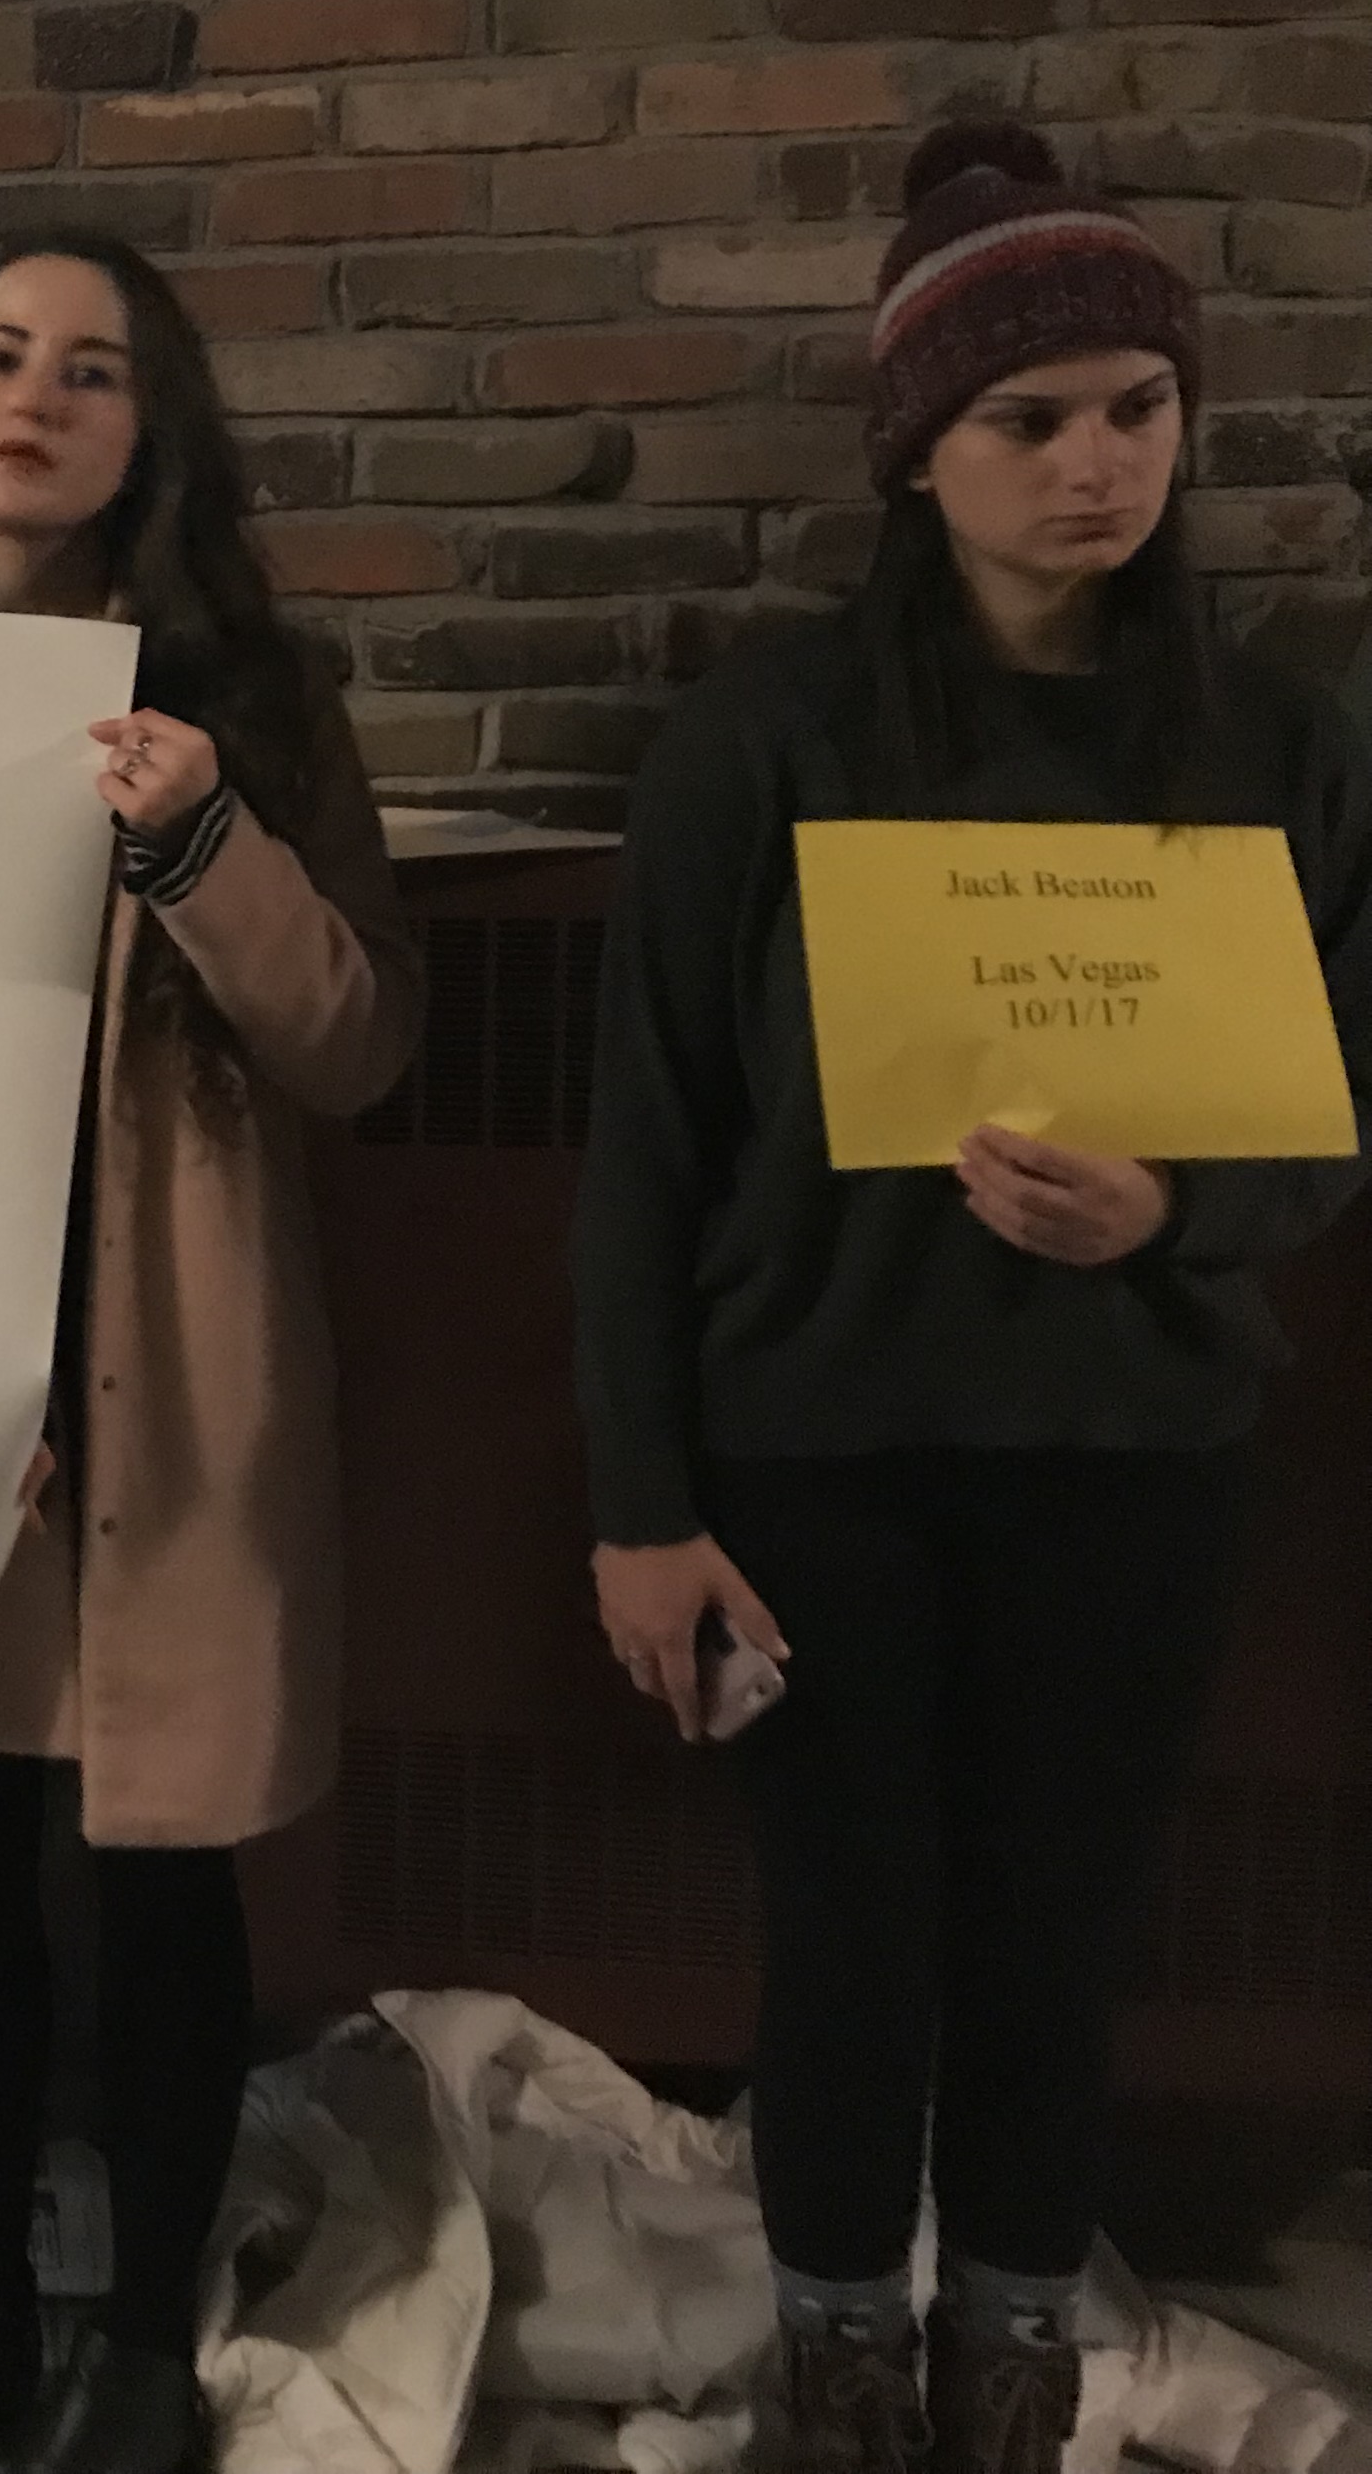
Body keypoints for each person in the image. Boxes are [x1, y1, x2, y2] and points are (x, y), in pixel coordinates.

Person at [574, 121, 1372, 2474]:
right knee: (847, 1946)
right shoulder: (767, 745)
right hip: (819, 1454)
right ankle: (838, 2370)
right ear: (919, 450)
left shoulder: (1277, 746)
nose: (1093, 464)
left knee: (1056, 1945)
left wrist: (1181, 1213)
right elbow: (642, 1150)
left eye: (1140, 408)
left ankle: (1008, 2370)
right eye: (1028, 420)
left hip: (1137, 1457)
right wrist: (640, 1501)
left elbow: (1336, 1119)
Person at [0, 232, 422, 2474]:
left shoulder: (243, 697)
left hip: (174, 1370)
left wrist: (205, 842)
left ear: (157, 432)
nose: (33, 398)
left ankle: (141, 2339)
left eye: (94, 370)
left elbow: (358, 1045)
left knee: (167, 1886)